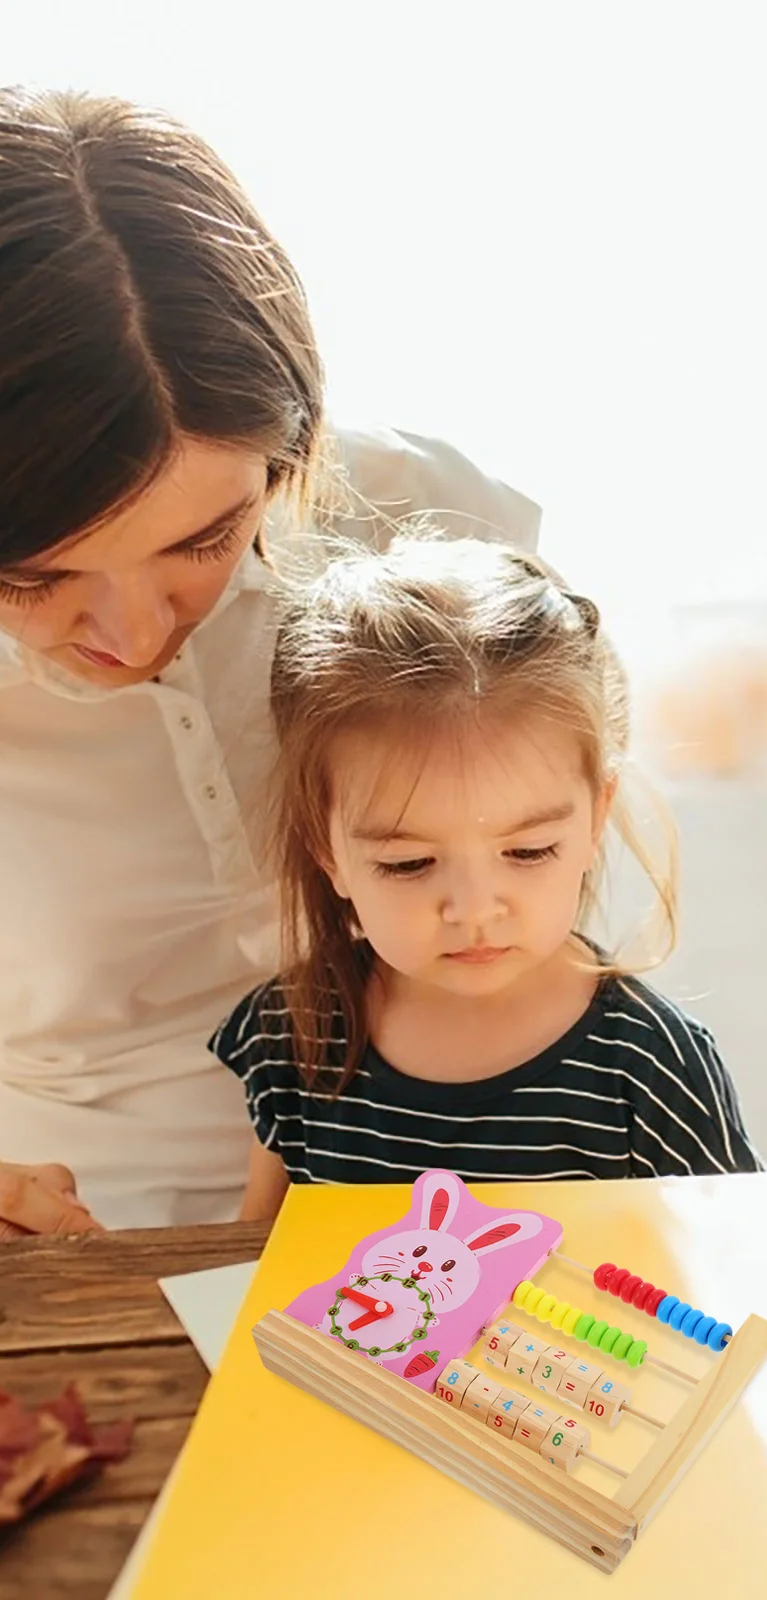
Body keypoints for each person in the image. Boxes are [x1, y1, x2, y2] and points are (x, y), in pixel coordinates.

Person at [0, 87, 543, 1232]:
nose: (138, 634)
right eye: (37, 578)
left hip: (443, 1206)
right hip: (79, 1233)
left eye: (204, 540)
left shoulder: (422, 521)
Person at [211, 534, 760, 1221]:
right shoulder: (296, 1030)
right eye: (409, 863)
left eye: (527, 852)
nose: (474, 910)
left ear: (596, 821)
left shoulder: (648, 1065)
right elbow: (249, 1261)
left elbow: (739, 1267)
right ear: (325, 849)